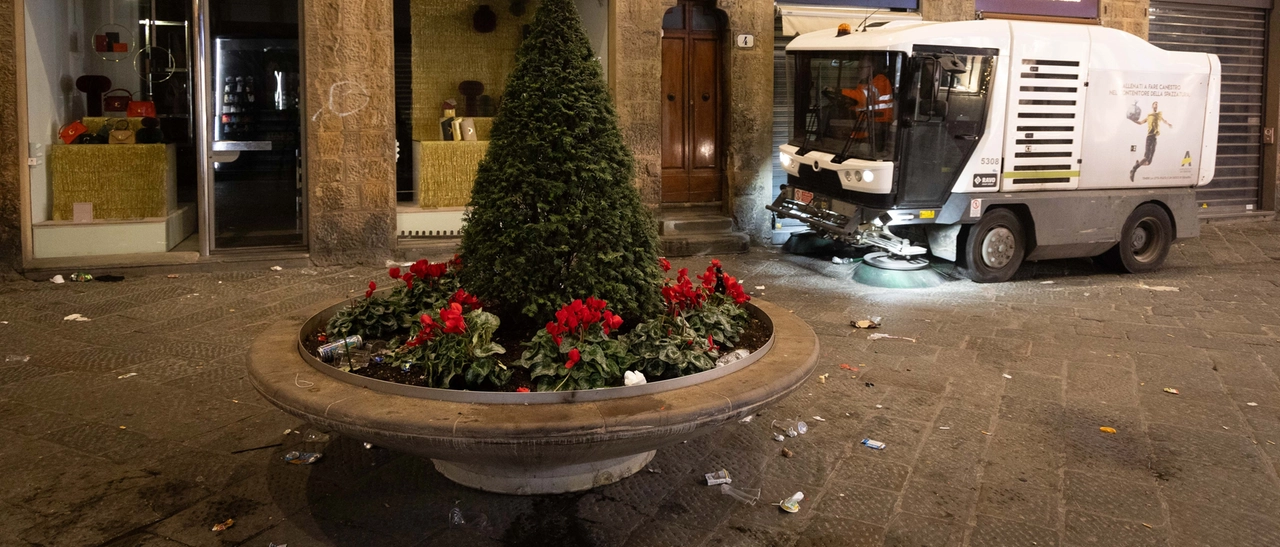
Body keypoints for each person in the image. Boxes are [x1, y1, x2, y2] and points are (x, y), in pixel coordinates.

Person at [1130, 101, 1173, 182]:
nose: (1156, 106)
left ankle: (1137, 164)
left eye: (1157, 104)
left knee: (1148, 162)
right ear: (1152, 106)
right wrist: (1133, 120)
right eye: (1155, 104)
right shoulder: (1149, 116)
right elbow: (1140, 122)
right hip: (1149, 137)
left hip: (1155, 138)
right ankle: (1134, 169)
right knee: (1146, 157)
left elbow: (1164, 120)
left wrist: (1168, 124)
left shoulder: (1159, 115)